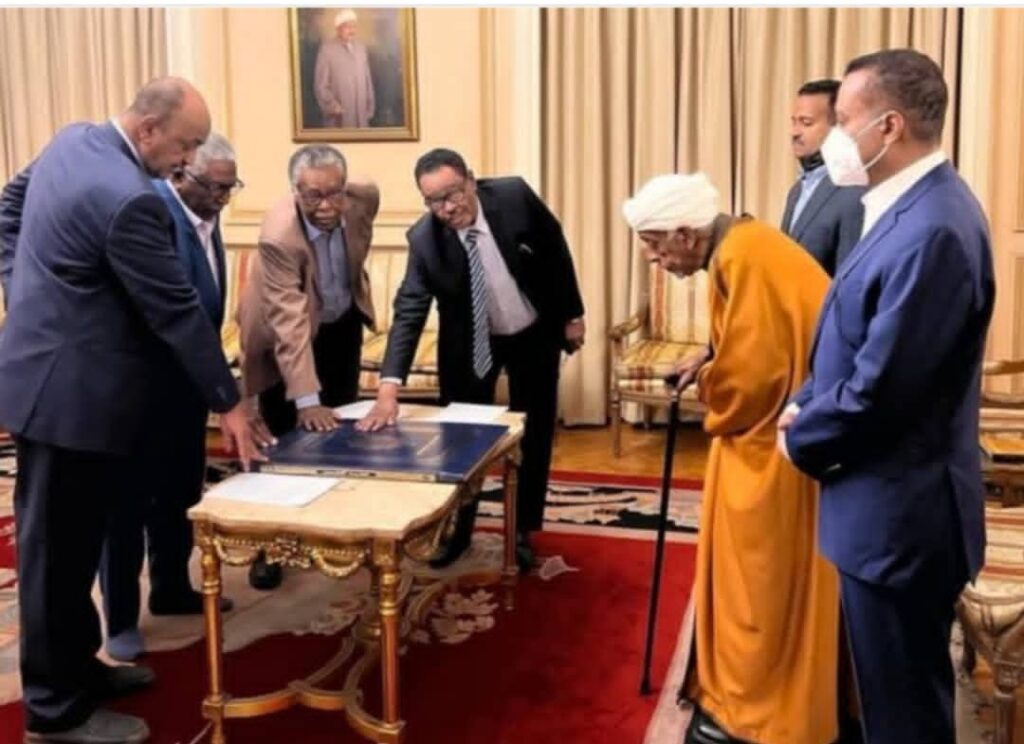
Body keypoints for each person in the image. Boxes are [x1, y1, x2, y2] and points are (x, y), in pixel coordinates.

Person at [0, 77, 261, 744]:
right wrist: (228, 403)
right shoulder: (129, 199)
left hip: (69, 389)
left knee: (76, 548)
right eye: (186, 145)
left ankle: (79, 668)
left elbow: (8, 206)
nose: (188, 159)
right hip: (67, 401)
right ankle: (54, 714)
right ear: (148, 130)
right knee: (53, 560)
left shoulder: (72, 141)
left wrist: (26, 291)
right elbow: (176, 311)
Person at [779, 49, 995, 744]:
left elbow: (884, 389)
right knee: (889, 698)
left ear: (889, 126)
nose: (832, 137)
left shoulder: (934, 228)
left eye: (843, 120)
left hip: (902, 520)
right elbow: (855, 335)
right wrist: (810, 400)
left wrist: (799, 434)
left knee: (904, 715)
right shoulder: (908, 207)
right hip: (886, 509)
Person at [622, 173, 840, 744]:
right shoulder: (744, 244)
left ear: (686, 234)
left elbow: (752, 382)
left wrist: (710, 382)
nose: (653, 258)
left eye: (654, 244)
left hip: (772, 446)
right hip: (788, 430)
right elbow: (751, 340)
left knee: (757, 583)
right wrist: (710, 354)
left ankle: (751, 709)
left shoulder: (741, 260)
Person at [358, 148, 585, 571]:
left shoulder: (514, 197)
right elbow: (409, 310)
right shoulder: (424, 240)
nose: (447, 208)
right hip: (470, 342)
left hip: (533, 331)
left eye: (453, 194)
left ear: (471, 181)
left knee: (534, 433)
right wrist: (388, 387)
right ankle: (458, 530)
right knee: (462, 439)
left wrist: (572, 315)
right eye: (434, 201)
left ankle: (520, 530)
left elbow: (555, 249)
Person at [98, 133, 256, 663]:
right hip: (140, 391)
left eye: (231, 187)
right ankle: (121, 619)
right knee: (125, 508)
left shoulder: (207, 214)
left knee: (178, 494)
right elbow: (165, 312)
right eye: (215, 188)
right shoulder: (151, 212)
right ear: (181, 175)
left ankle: (170, 587)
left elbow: (204, 308)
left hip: (187, 389)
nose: (223, 198)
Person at [238, 143, 379, 589]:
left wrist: (322, 404)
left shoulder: (363, 198)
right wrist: (307, 400)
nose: (326, 205)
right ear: (294, 191)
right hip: (283, 329)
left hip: (340, 322)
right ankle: (269, 547)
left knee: (341, 431)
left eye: (334, 193)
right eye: (313, 195)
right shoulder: (279, 236)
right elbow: (289, 322)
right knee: (281, 439)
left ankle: (329, 531)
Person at [782, 79, 865, 276]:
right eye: (794, 122)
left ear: (838, 127)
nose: (794, 132)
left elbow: (850, 279)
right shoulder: (796, 191)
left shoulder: (853, 191)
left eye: (806, 123)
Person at [314, 9, 376, 128]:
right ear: (338, 28)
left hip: (361, 114)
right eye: (347, 26)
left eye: (354, 26)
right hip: (339, 116)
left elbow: (367, 80)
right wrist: (333, 106)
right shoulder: (327, 49)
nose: (351, 30)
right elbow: (321, 85)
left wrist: (370, 104)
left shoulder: (360, 48)